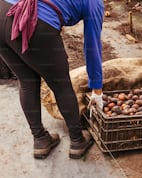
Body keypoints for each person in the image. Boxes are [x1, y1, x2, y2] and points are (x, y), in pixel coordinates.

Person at [0, 0, 104, 159]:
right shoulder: (95, 3)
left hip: (2, 10)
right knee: (61, 84)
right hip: (32, 18)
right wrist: (97, 88)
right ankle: (77, 141)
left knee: (27, 81)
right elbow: (92, 47)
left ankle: (40, 140)